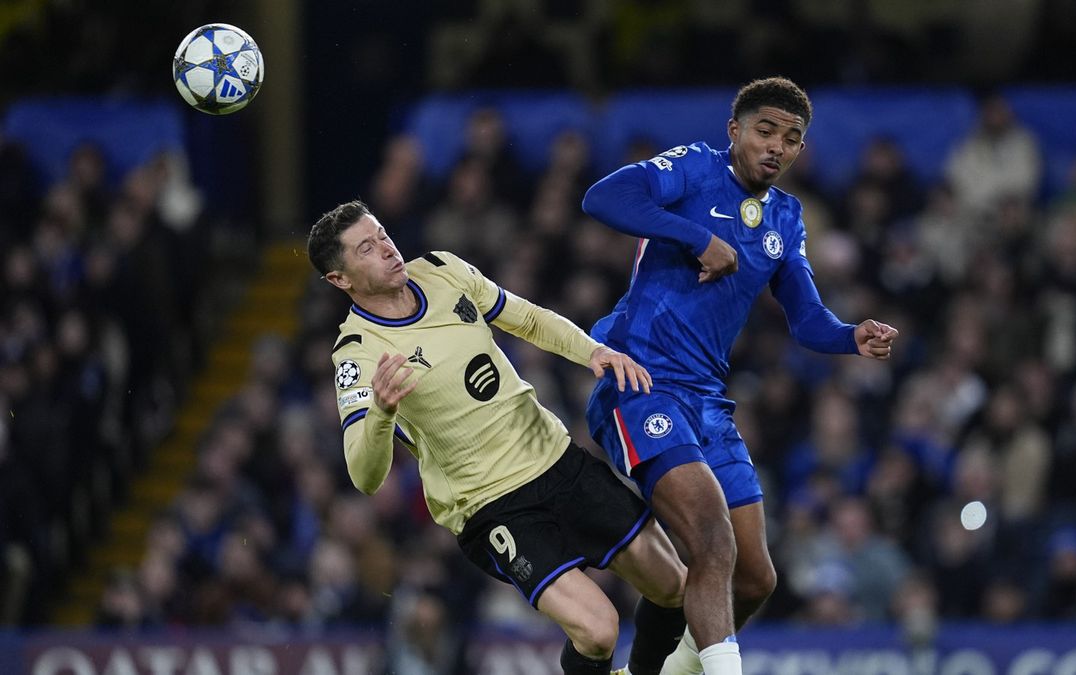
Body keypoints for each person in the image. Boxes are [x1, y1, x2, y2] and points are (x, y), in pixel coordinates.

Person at [582, 77, 899, 674]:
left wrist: (850, 336)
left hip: (706, 402)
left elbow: (807, 318)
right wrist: (697, 236)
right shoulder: (695, 169)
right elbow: (602, 198)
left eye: (791, 138)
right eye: (765, 130)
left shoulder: (786, 216)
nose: (777, 146)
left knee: (755, 578)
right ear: (735, 130)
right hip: (641, 383)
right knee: (711, 537)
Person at [307, 200, 689, 675]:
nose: (387, 249)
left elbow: (526, 318)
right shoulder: (358, 353)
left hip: (556, 458)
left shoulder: (442, 270)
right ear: (339, 279)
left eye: (382, 234)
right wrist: (382, 412)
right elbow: (364, 476)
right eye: (366, 248)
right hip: (491, 505)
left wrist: (592, 352)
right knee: (597, 630)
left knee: (674, 587)